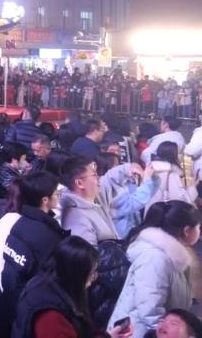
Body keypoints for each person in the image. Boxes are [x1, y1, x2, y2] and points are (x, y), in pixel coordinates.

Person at [0, 171, 67, 337]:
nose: (59, 196)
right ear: (44, 199)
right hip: (14, 297)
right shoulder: (44, 233)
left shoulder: (11, 220)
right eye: (56, 193)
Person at [109, 201, 201, 338]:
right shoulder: (155, 258)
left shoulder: (174, 256)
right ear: (187, 231)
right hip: (139, 332)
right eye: (198, 227)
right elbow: (150, 309)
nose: (200, 231)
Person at [13, 236, 132, 338]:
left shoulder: (46, 283)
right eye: (91, 273)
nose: (94, 278)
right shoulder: (51, 316)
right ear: (76, 274)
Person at [60, 156, 120, 246]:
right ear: (79, 183)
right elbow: (89, 254)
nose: (99, 178)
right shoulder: (78, 222)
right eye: (94, 175)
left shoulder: (93, 200)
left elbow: (110, 179)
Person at [145, 142, 197, 211]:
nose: (183, 155)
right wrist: (192, 185)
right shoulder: (171, 174)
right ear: (172, 156)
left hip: (153, 211)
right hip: (166, 214)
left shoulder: (153, 170)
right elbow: (181, 201)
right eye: (180, 153)